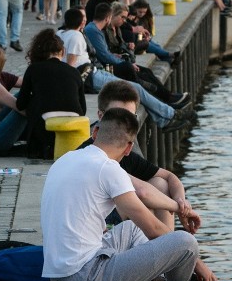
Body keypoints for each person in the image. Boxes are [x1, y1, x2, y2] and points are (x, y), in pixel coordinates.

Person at [41, 107, 222, 281]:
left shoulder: (66, 159)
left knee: (132, 229)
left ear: (95, 133)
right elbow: (153, 227)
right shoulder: (108, 168)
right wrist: (197, 263)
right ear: (129, 148)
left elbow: (143, 192)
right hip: (87, 279)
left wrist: (179, 207)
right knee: (185, 241)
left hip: (59, 279)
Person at [79, 81, 202, 232]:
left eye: (130, 118)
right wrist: (181, 209)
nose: (124, 125)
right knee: (143, 201)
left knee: (160, 183)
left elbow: (170, 177)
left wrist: (181, 201)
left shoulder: (126, 153)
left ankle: (168, 244)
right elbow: (143, 193)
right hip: (95, 228)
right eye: (117, 117)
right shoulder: (94, 155)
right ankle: (171, 245)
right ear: (100, 116)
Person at [57, 8, 193, 133]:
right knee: (134, 88)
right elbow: (71, 65)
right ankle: (171, 114)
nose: (86, 20)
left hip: (94, 72)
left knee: (137, 86)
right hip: (90, 76)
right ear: (80, 21)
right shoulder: (76, 35)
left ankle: (164, 120)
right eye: (84, 17)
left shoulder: (59, 34)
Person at [96, 2, 189, 107]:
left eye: (125, 18)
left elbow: (121, 44)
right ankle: (166, 99)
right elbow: (106, 53)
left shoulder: (117, 28)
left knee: (147, 71)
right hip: (113, 65)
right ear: (112, 15)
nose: (124, 20)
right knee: (138, 75)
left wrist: (127, 46)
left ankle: (168, 96)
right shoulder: (105, 30)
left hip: (121, 60)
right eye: (122, 17)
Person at [15, 29, 86, 160]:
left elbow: (20, 104)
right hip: (73, 123)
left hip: (43, 126)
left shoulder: (33, 69)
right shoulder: (74, 72)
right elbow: (83, 108)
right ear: (63, 52)